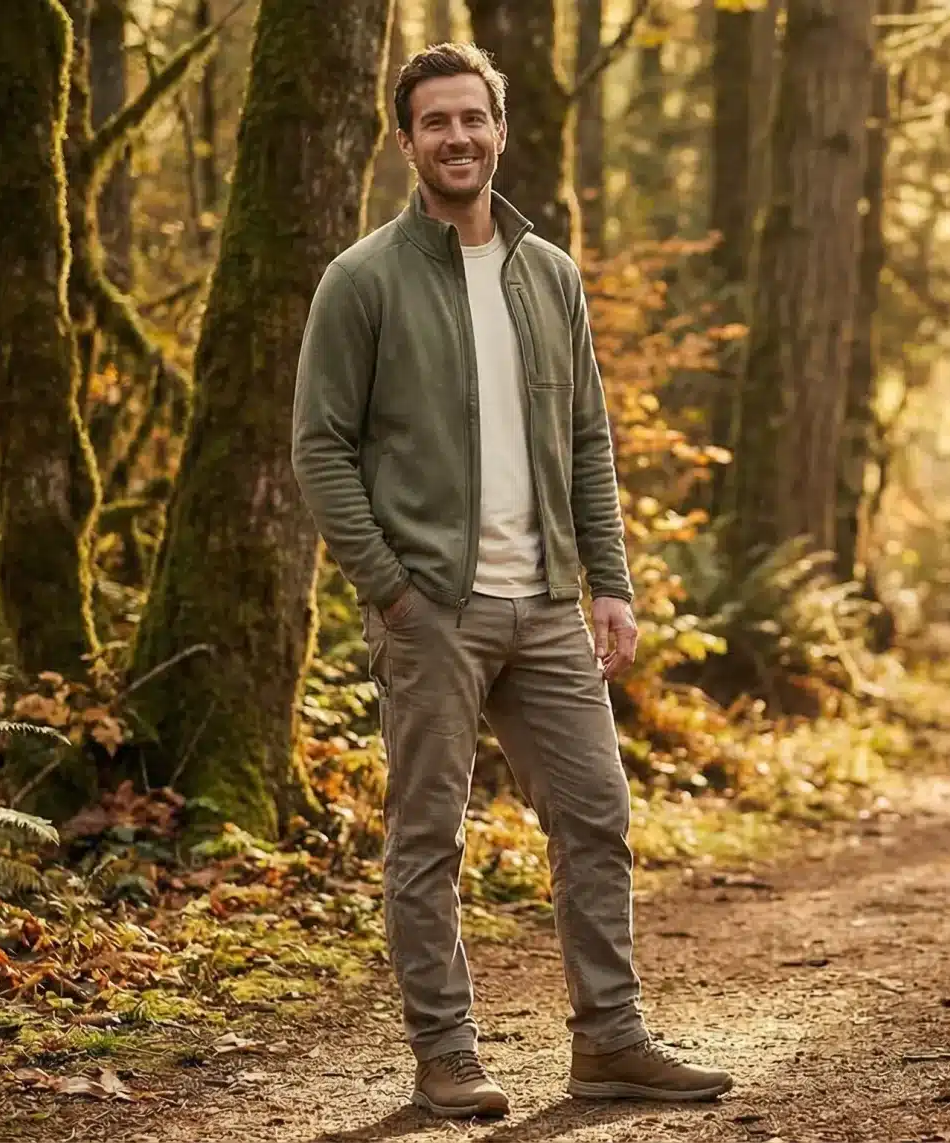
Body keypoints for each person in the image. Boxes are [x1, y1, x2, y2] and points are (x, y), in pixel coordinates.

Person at [290, 41, 732, 1120]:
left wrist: (609, 582)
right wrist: (393, 591)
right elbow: (319, 449)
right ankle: (445, 1058)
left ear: (500, 129)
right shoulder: (363, 281)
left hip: (544, 605)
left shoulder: (549, 274)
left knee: (596, 818)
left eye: (471, 118)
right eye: (433, 122)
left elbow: (586, 438)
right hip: (430, 610)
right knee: (426, 838)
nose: (456, 138)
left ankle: (610, 1042)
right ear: (405, 143)